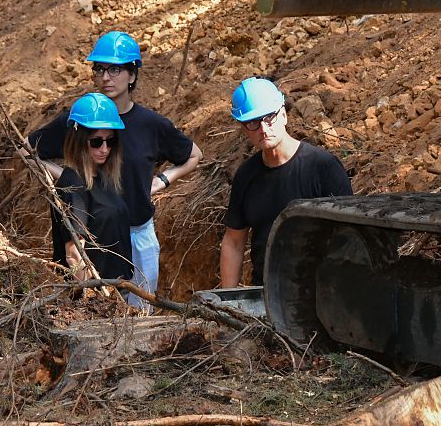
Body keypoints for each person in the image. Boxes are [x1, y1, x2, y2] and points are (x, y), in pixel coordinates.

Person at [28, 31, 202, 305]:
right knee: (98, 311)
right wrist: (70, 178)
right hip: (93, 239)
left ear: (132, 75)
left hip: (137, 233)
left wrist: (163, 181)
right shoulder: (80, 118)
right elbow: (28, 150)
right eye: (100, 69)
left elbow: (193, 155)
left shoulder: (151, 125)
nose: (106, 77)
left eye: (115, 69)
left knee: (140, 316)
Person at [220, 77, 352, 288]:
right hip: (265, 293)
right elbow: (234, 242)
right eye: (254, 122)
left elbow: (350, 237)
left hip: (318, 294)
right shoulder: (246, 176)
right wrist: (226, 303)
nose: (264, 129)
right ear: (244, 129)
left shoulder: (323, 168)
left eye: (270, 118)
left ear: (283, 115)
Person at [50, 93, 135, 284]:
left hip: (119, 286)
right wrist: (91, 297)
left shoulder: (105, 178)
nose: (104, 149)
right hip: (98, 293)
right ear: (79, 140)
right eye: (96, 141)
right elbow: (73, 252)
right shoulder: (73, 183)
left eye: (110, 141)